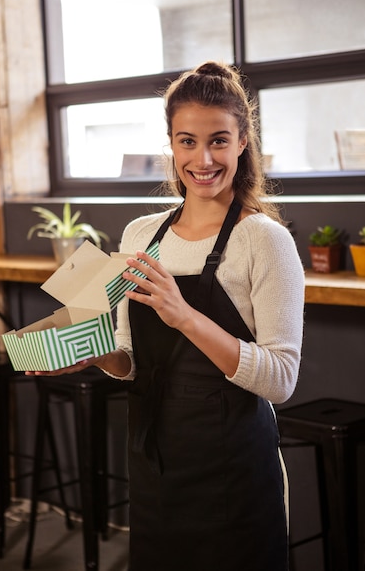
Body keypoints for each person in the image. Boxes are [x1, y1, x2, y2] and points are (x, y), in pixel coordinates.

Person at [29, 61, 305, 570]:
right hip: (154, 460)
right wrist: (95, 356)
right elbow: (133, 357)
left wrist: (185, 317)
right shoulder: (140, 235)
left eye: (219, 140)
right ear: (171, 146)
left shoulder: (264, 240)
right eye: (187, 141)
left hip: (233, 469)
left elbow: (281, 380)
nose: (203, 159)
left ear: (243, 142)